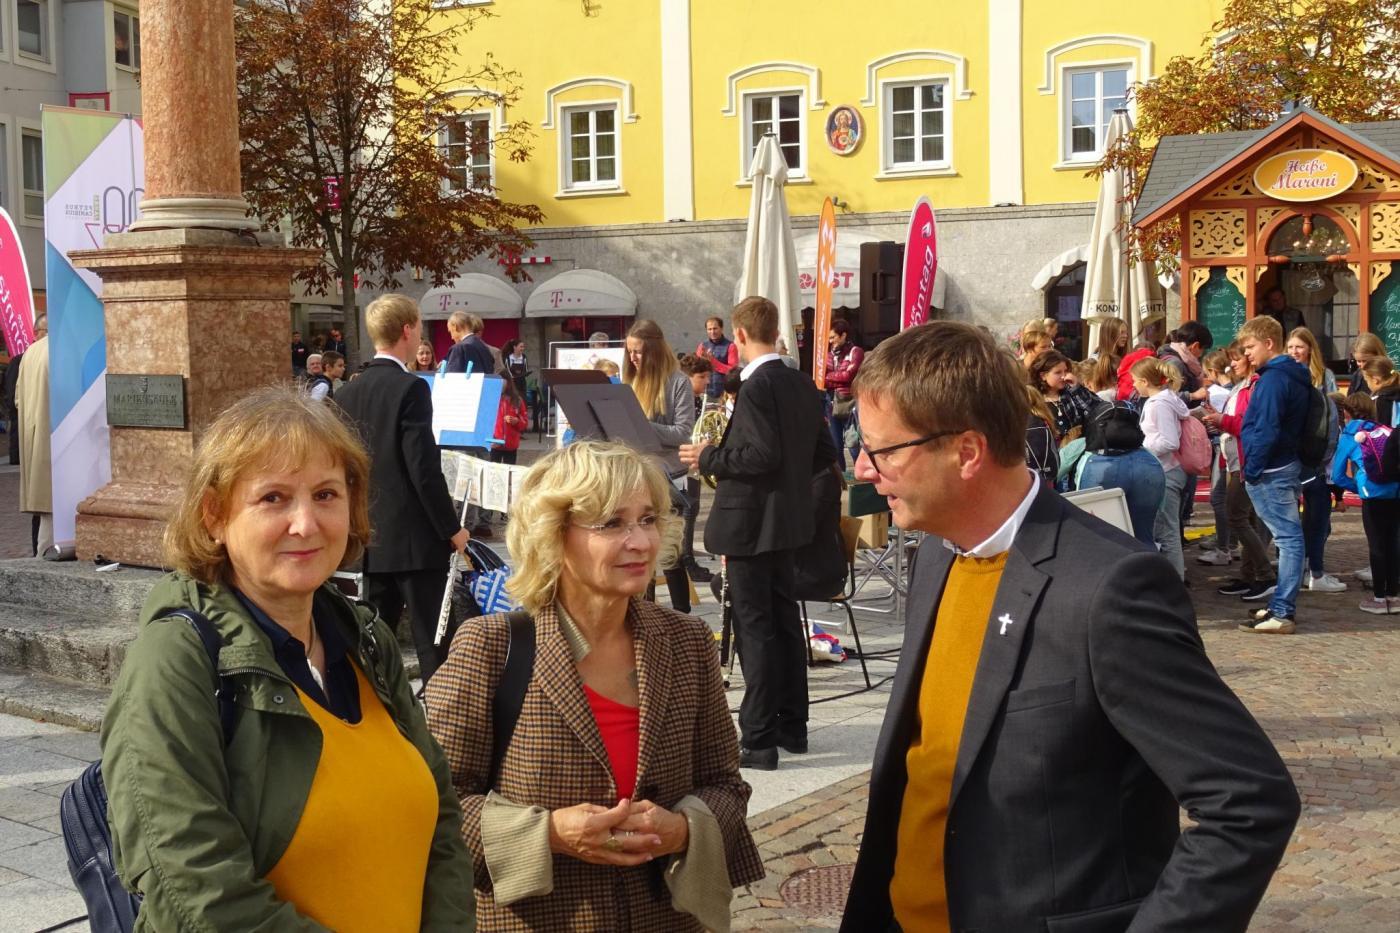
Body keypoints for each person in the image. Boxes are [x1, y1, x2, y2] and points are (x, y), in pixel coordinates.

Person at [840, 321, 1300, 933]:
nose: (864, 471)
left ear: (967, 452)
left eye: (883, 450)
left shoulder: (1111, 587)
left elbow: (1248, 802)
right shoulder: (938, 553)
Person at [101, 387, 475, 931]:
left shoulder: (366, 640)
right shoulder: (175, 663)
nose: (306, 524)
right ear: (214, 516)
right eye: (273, 498)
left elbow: (442, 821)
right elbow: (194, 891)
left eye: (326, 494)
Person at [425, 441, 764, 931]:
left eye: (648, 519)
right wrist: (549, 835)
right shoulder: (492, 646)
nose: (642, 542)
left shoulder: (687, 641)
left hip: (667, 919)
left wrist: (684, 829)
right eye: (611, 524)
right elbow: (433, 804)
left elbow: (727, 785)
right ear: (553, 534)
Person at [679, 297, 838, 771]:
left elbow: (760, 456)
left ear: (740, 335)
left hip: (750, 524)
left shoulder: (758, 385)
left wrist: (707, 457)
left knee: (756, 630)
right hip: (788, 521)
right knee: (785, 624)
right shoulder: (801, 384)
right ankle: (793, 727)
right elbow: (822, 452)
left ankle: (758, 739)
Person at [335, 294, 472, 680]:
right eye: (421, 328)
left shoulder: (345, 393)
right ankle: (443, 727)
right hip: (414, 542)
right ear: (408, 331)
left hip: (369, 539)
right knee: (433, 643)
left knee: (373, 642)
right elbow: (423, 469)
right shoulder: (410, 388)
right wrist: (452, 529)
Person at [1237, 315, 1312, 634]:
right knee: (1289, 537)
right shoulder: (1293, 375)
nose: (1246, 354)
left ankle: (1282, 611)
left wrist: (1252, 469)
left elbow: (1266, 428)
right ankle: (1280, 605)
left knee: (1289, 539)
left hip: (1272, 467)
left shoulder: (1273, 380)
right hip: (1283, 463)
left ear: (1269, 343)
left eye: (1250, 347)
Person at [623, 319, 696, 614]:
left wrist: (641, 425)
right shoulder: (630, 380)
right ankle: (645, 615)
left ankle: (682, 617)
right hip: (637, 476)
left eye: (638, 352)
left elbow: (682, 433)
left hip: (669, 478)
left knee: (670, 554)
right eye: (629, 352)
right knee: (640, 551)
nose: (633, 358)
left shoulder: (678, 382)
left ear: (653, 351)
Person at [1204, 342, 1277, 602]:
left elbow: (1249, 425)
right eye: (1231, 359)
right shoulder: (1240, 386)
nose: (1232, 364)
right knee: (1249, 520)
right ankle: (1251, 576)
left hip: (1245, 461)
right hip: (1234, 459)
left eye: (1237, 359)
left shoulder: (1255, 386)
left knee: (1236, 517)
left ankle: (1265, 575)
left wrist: (1222, 421)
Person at [1287, 327, 1345, 593]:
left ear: (1310, 349)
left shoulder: (1324, 377)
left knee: (1319, 517)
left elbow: (1332, 415)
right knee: (1295, 517)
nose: (1294, 352)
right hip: (1294, 456)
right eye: (1290, 347)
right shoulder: (1284, 376)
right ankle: (1303, 568)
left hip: (1318, 452)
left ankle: (1313, 567)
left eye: (1299, 346)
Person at [1331, 393, 1400, 614]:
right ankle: (1394, 596)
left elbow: (1338, 476)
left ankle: (1379, 599)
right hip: (1395, 492)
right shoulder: (1385, 430)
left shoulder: (1350, 436)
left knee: (1377, 546)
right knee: (1393, 543)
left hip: (1372, 496)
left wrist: (1358, 488)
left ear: (1346, 412)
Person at [1132, 356, 1191, 580]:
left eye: (1136, 381)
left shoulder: (1159, 404)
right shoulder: (1167, 400)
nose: (1134, 386)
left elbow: (1169, 441)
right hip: (1167, 470)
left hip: (1166, 471)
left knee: (1167, 532)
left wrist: (1140, 446)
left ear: (1146, 381)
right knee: (1166, 530)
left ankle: (1175, 582)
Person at [677, 353, 716, 583]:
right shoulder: (682, 399)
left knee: (693, 508)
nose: (707, 381)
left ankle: (688, 556)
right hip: (681, 462)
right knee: (688, 510)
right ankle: (686, 559)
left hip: (695, 461)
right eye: (701, 377)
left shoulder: (701, 401)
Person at [16, 315, 51, 556]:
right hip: (55, 440)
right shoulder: (60, 348)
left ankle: (41, 553)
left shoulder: (29, 353)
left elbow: (18, 399)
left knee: (46, 511)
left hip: (35, 438)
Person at [825, 320, 864, 469]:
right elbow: (822, 378)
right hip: (832, 402)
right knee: (835, 445)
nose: (831, 341)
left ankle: (860, 479)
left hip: (849, 402)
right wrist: (837, 377)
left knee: (853, 442)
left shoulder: (856, 352)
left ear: (843, 335)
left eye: (833, 337)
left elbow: (849, 376)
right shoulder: (828, 355)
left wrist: (832, 377)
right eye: (829, 338)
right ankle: (842, 481)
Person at [696, 316, 739, 399]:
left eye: (715, 328)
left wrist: (713, 362)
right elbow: (696, 370)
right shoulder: (702, 346)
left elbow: (733, 372)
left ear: (721, 328)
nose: (712, 332)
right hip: (705, 392)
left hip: (725, 393)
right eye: (709, 329)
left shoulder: (731, 346)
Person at [445, 311, 495, 375]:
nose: (452, 337)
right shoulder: (483, 347)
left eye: (450, 332)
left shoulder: (459, 348)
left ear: (455, 327)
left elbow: (452, 377)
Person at [1347, 332, 1387, 398]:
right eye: (1358, 361)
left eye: (1365, 361)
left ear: (1377, 356)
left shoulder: (1388, 376)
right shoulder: (1357, 376)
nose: (1362, 366)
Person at [1363, 356, 1400, 426]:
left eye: (1366, 381)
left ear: (1375, 380)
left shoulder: (1379, 400)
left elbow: (1380, 429)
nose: (1367, 384)